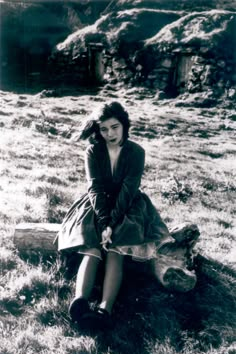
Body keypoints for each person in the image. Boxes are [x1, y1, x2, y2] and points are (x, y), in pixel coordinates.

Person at [57, 101, 176, 330]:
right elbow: (95, 188)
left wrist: (112, 224)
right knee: (92, 246)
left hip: (128, 205)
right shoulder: (93, 151)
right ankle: (79, 303)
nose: (109, 133)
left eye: (114, 127)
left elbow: (129, 189)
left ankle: (104, 310)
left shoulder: (136, 152)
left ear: (124, 125)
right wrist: (103, 222)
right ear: (97, 130)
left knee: (115, 248)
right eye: (104, 129)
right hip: (97, 204)